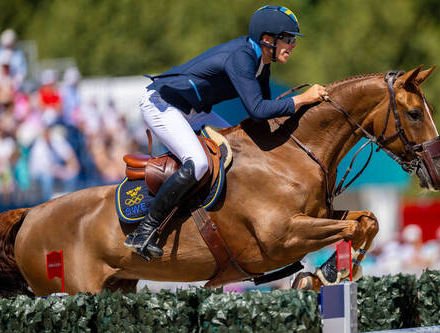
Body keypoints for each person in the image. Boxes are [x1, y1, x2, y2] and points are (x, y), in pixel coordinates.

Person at [124, 5, 328, 261]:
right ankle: (144, 231)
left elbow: (264, 119)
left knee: (242, 150)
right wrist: (303, 99)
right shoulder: (242, 57)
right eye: (287, 39)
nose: (292, 45)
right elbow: (258, 109)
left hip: (194, 110)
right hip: (162, 104)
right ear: (267, 39)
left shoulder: (262, 64)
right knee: (197, 163)